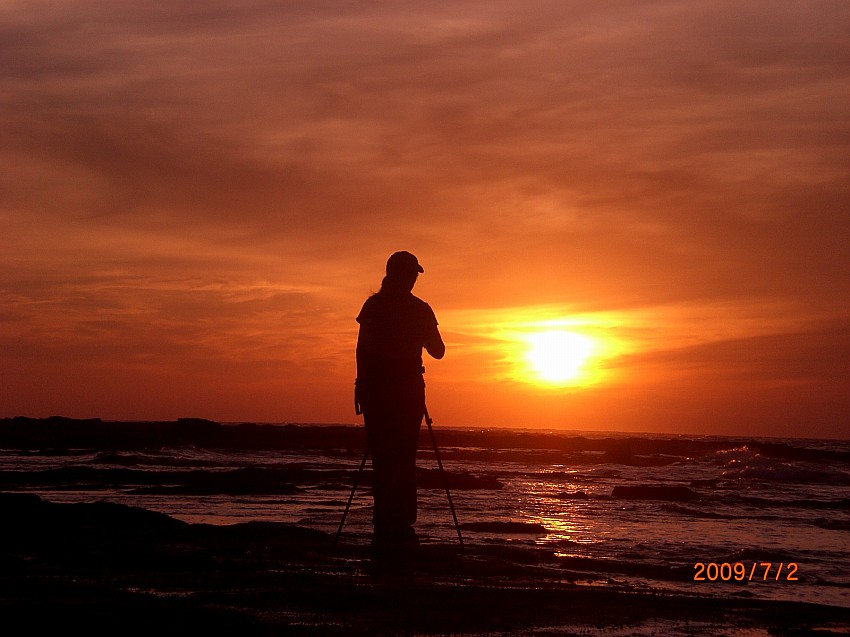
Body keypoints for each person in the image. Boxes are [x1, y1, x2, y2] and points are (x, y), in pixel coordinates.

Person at [354, 251, 445, 550]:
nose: (414, 280)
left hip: (378, 388)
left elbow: (362, 350)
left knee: (383, 457)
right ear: (402, 275)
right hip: (406, 389)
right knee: (403, 457)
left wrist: (361, 385)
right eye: (413, 274)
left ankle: (384, 521)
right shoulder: (419, 309)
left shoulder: (373, 306)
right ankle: (402, 523)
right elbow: (438, 351)